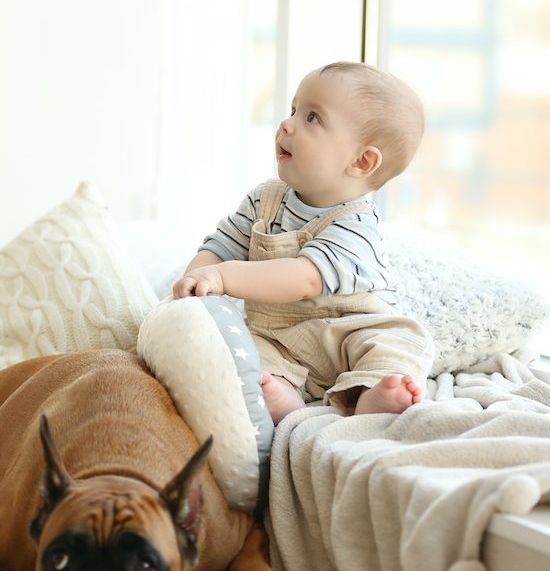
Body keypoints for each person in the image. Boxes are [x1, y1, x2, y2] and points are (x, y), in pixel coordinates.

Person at [172, 61, 433, 424]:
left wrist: (223, 277)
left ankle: (370, 394)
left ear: (361, 161)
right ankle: (286, 396)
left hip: (349, 331)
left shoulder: (355, 223)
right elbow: (221, 245)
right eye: (294, 109)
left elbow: (304, 279)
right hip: (280, 336)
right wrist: (193, 284)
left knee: (399, 343)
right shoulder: (264, 200)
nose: (286, 124)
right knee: (247, 357)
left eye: (312, 118)